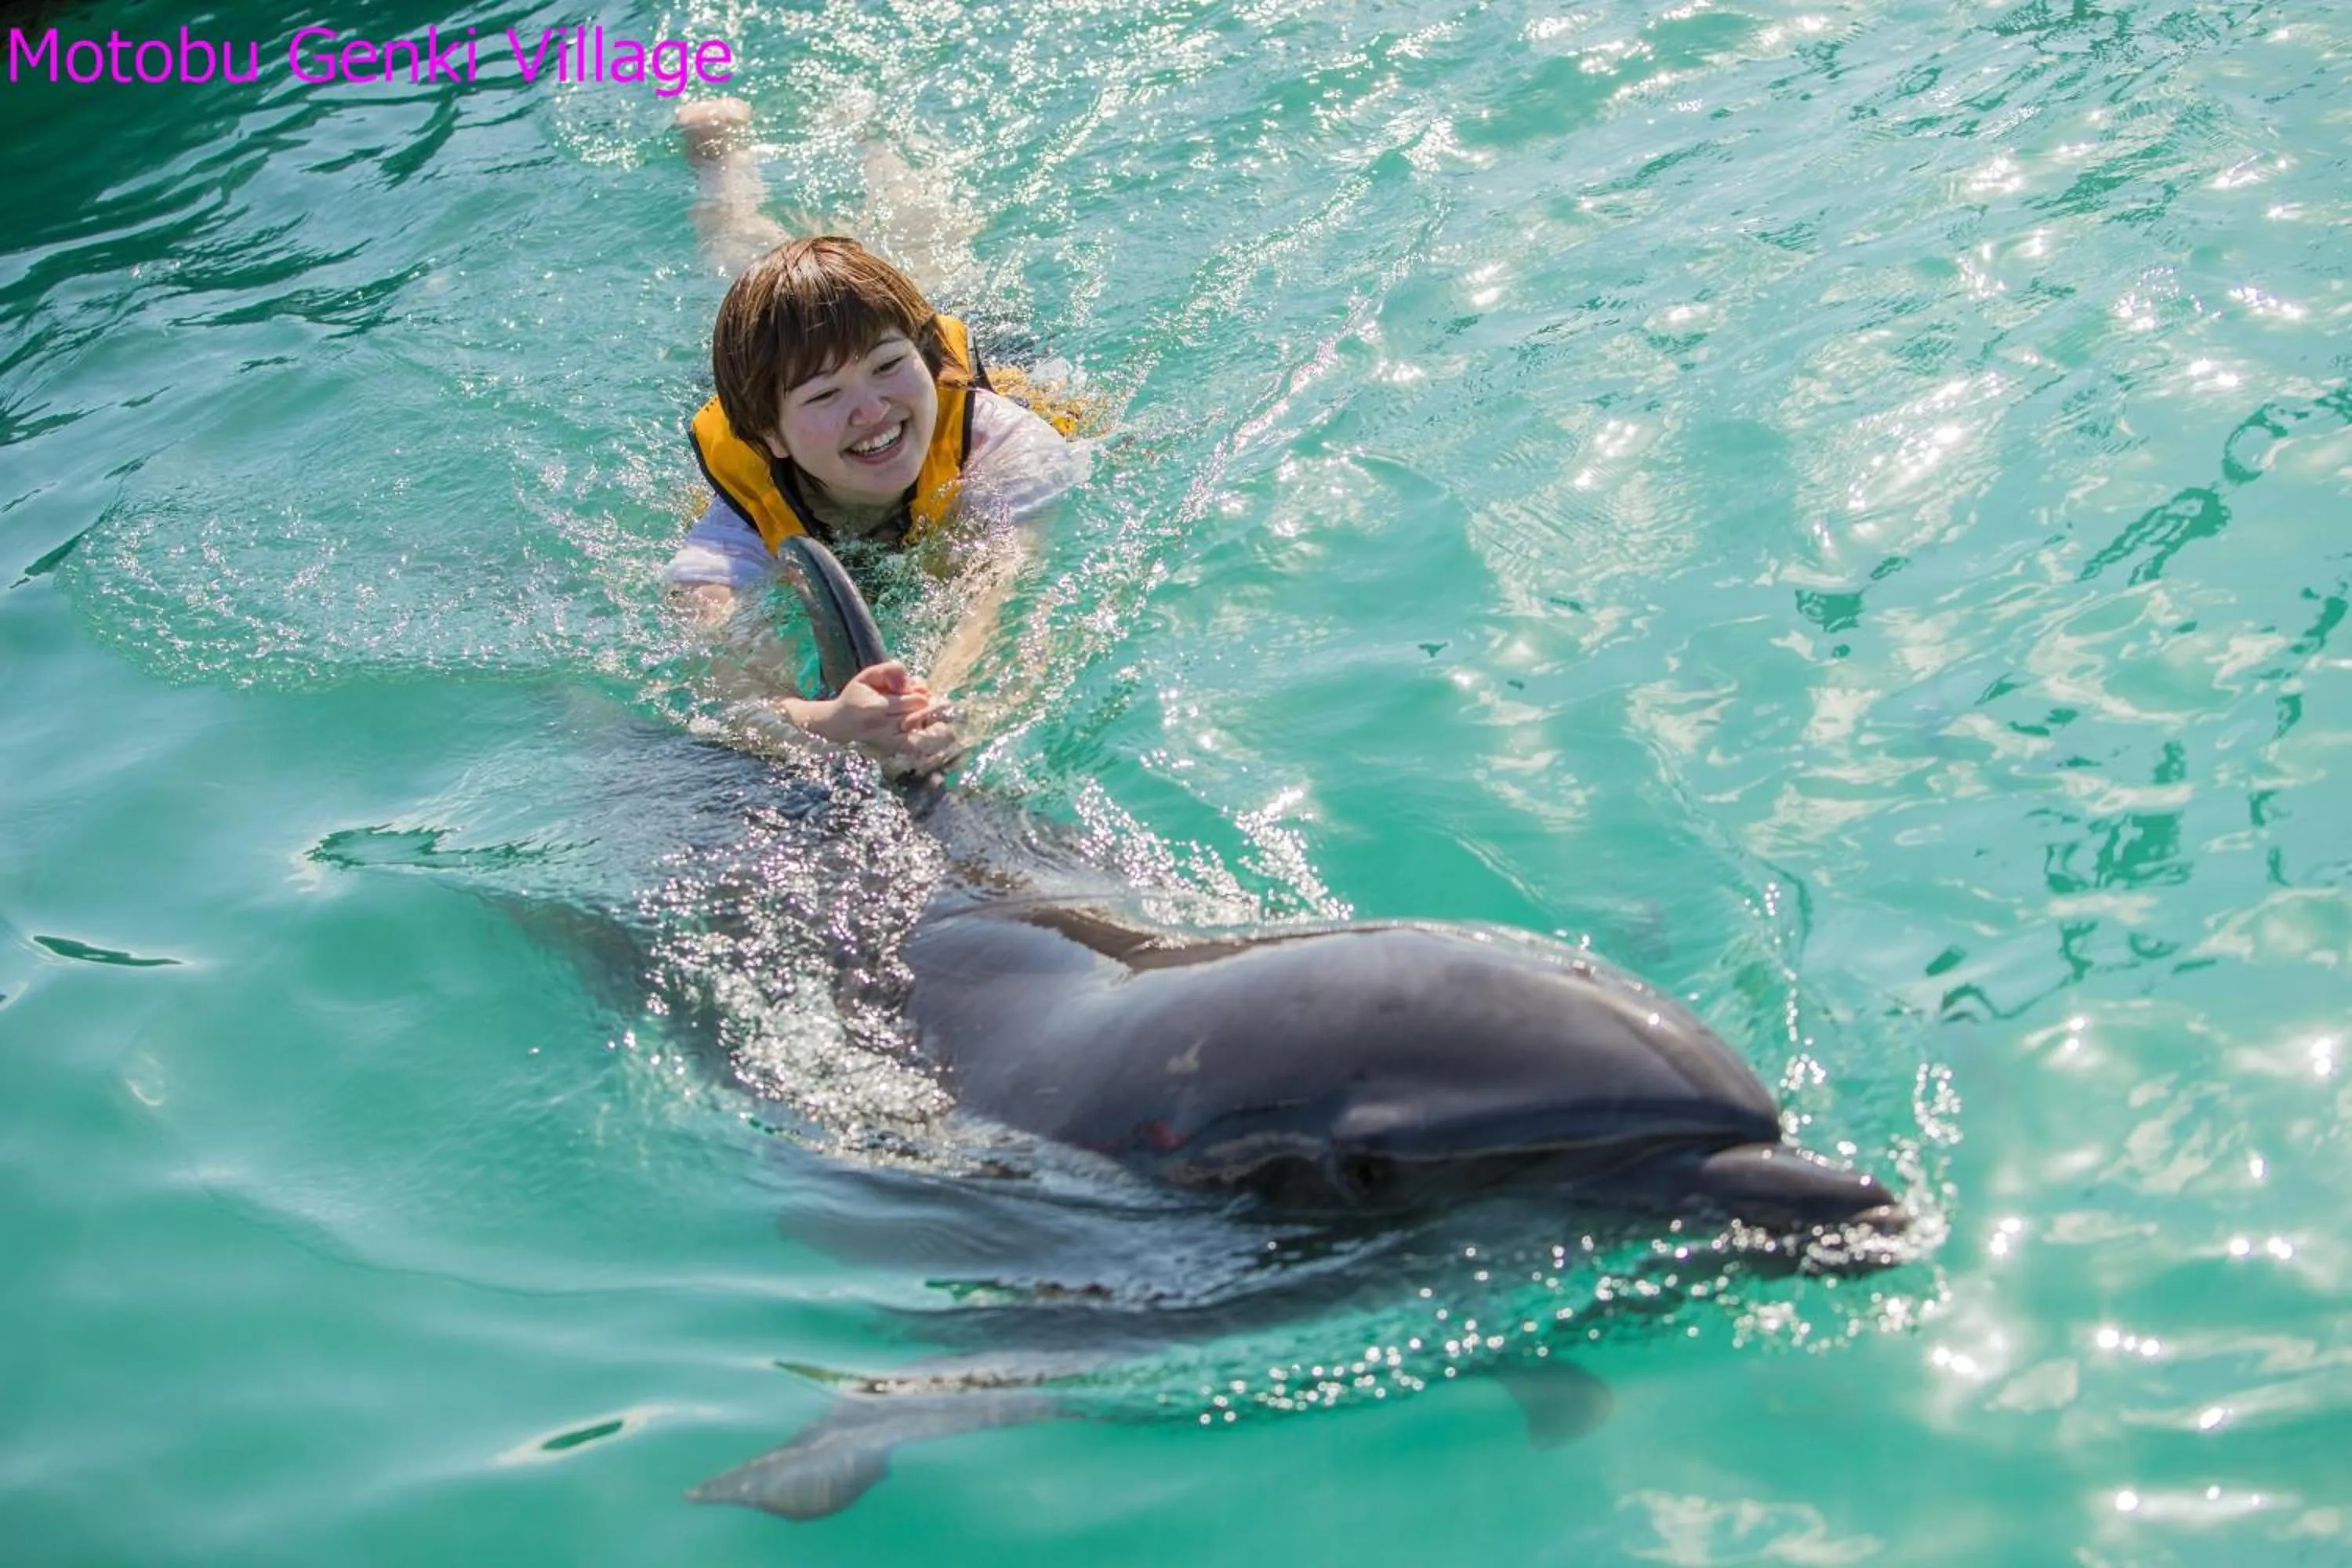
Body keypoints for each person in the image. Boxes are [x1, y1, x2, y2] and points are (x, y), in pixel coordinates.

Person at [664, 100, 1086, 775]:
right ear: (768, 434)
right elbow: (726, 688)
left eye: (890, 371)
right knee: (743, 265)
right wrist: (824, 722)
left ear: (922, 361)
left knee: (933, 256)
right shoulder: (736, 522)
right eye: (827, 397)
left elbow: (999, 605)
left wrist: (937, 715)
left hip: (970, 362)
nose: (873, 411)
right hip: (783, 376)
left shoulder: (1006, 449)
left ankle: (877, 133)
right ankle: (723, 164)